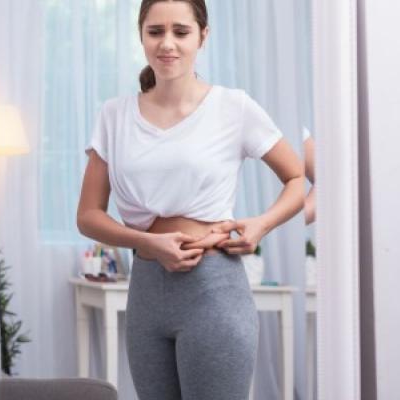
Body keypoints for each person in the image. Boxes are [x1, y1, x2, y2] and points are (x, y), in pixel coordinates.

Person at [76, 0, 304, 398]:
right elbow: (88, 215)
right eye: (155, 32)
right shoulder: (114, 115)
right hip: (146, 290)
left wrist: (260, 224)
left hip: (213, 290)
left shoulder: (233, 107)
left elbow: (298, 178)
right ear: (141, 35)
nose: (167, 44)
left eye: (180, 32)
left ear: (203, 36)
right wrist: (147, 243)